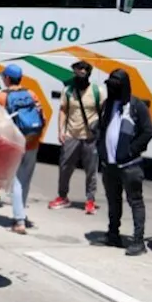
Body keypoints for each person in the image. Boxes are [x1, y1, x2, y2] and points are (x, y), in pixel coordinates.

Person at [95, 68, 152, 256]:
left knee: (135, 201)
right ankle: (113, 234)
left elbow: (147, 132)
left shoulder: (136, 106)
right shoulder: (107, 104)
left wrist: (130, 150)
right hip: (109, 165)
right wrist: (101, 148)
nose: (111, 89)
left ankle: (138, 241)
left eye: (115, 86)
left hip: (130, 165)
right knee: (113, 201)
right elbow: (102, 128)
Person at [0, 63, 45, 234]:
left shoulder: (0, 97)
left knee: (16, 182)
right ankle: (21, 214)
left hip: (13, 144)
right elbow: (42, 117)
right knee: (24, 180)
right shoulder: (32, 94)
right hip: (32, 142)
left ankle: (19, 221)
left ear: (8, 78)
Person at [49, 61, 102, 215]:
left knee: (91, 171)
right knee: (65, 167)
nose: (81, 73)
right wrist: (61, 131)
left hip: (90, 137)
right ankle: (62, 196)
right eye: (78, 71)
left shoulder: (97, 91)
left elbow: (103, 110)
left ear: (88, 74)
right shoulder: (68, 91)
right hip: (71, 135)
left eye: (84, 71)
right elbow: (63, 110)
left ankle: (90, 200)